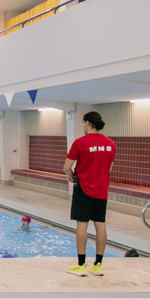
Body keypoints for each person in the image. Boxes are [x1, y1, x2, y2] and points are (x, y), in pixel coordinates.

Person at [63, 111, 116, 276]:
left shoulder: (80, 143)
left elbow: (66, 167)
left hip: (84, 188)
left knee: (82, 224)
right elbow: (109, 168)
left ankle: (80, 265)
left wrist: (71, 177)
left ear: (87, 123)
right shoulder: (110, 144)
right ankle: (98, 265)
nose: (82, 126)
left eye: (82, 123)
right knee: (100, 224)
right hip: (102, 190)